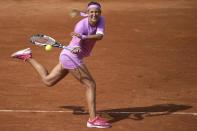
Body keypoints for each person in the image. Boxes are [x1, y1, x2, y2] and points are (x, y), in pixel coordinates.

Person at [11, 1, 111, 128]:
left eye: (96, 12)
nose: (94, 14)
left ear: (100, 13)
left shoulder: (101, 19)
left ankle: (27, 56)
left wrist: (84, 37)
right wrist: (76, 46)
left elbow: (99, 36)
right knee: (90, 85)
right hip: (71, 56)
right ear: (87, 13)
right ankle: (92, 120)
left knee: (48, 81)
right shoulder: (80, 26)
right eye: (92, 12)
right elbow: (75, 44)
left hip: (67, 56)